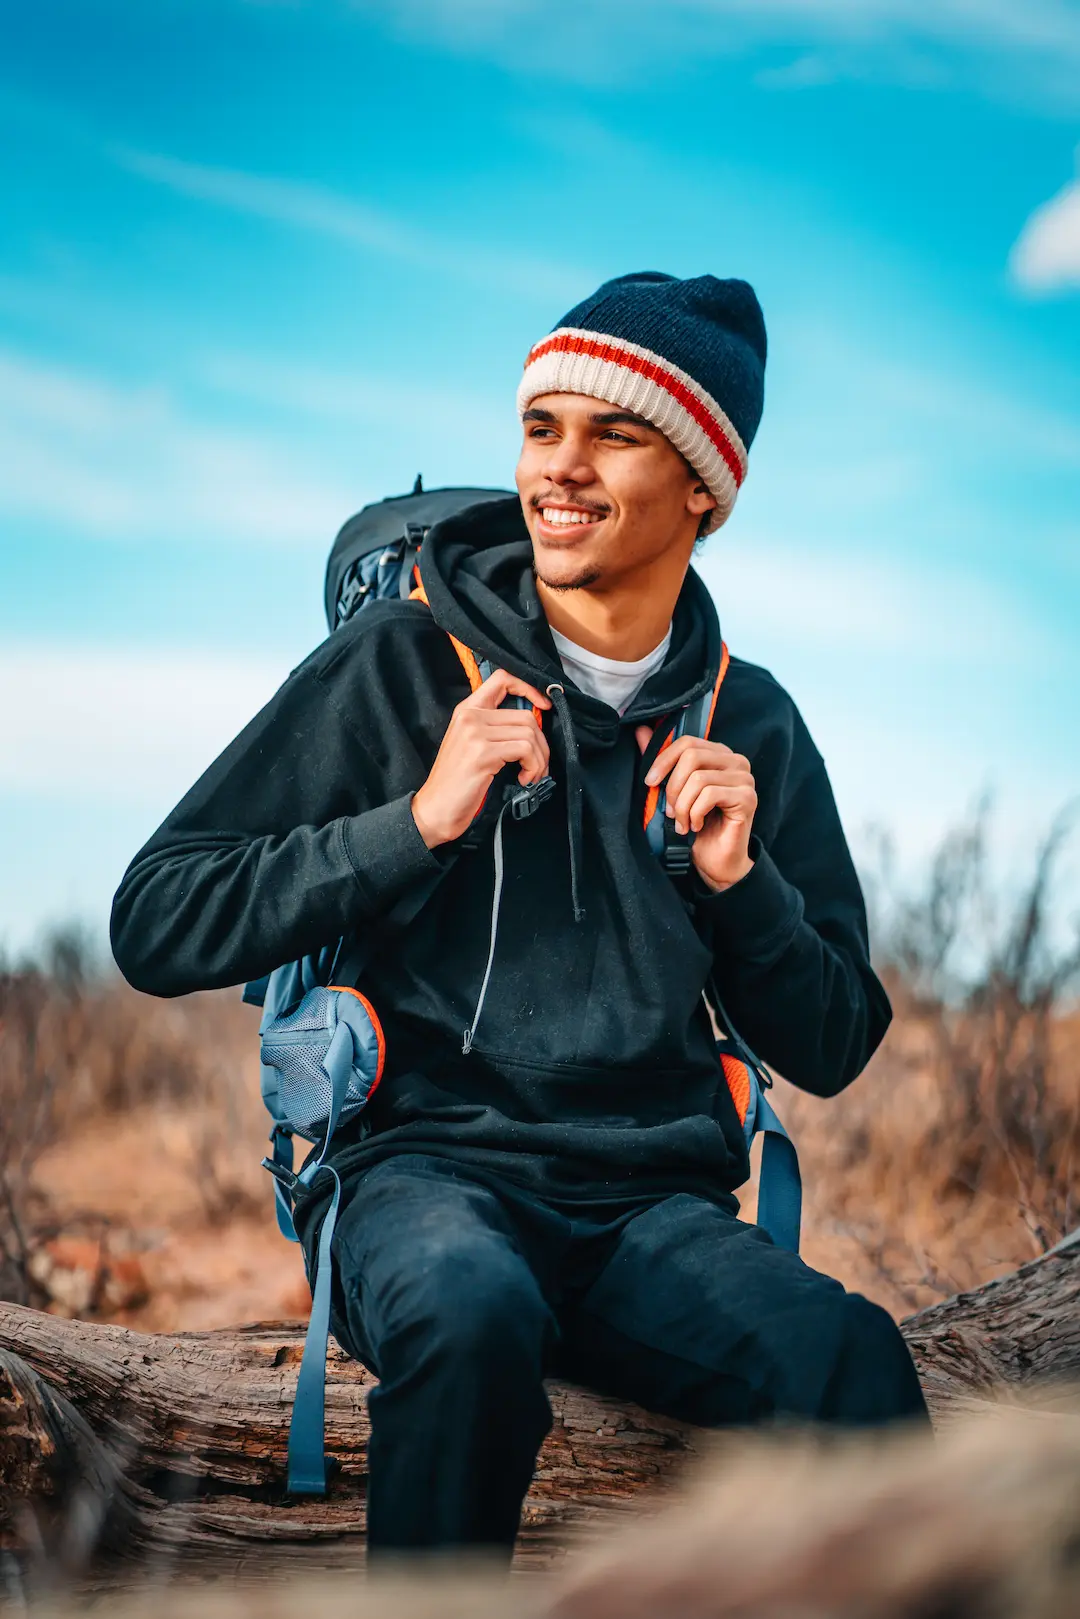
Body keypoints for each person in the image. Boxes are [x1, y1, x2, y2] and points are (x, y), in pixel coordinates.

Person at [111, 271, 928, 1560]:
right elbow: (155, 918)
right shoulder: (401, 664)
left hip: (651, 1217)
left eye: (615, 433)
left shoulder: (749, 718)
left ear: (704, 493)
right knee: (471, 1315)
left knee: (853, 1362)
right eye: (542, 427)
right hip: (416, 1179)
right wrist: (416, 822)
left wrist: (742, 884)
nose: (560, 468)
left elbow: (833, 1042)